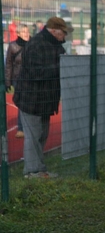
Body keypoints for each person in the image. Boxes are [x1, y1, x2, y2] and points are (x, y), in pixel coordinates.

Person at [13, 17, 73, 179]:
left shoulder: (56, 45)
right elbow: (35, 73)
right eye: (63, 33)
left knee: (42, 135)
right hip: (31, 99)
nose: (64, 37)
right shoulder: (35, 45)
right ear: (53, 30)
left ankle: (39, 169)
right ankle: (32, 172)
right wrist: (60, 68)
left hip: (46, 100)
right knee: (33, 136)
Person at [5, 24, 31, 138]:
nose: (26, 33)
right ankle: (21, 128)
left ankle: (30, 127)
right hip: (18, 79)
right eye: (23, 31)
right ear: (18, 33)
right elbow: (9, 64)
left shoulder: (33, 44)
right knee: (22, 102)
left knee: (31, 102)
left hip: (32, 78)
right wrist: (7, 81)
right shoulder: (13, 46)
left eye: (27, 31)